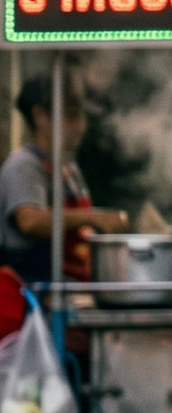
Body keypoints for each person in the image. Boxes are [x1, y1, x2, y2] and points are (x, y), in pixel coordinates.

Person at [0, 76, 123, 283]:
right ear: (39, 116)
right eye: (72, 116)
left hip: (71, 288)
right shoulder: (23, 165)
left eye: (82, 116)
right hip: (33, 296)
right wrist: (93, 217)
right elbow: (30, 221)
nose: (81, 126)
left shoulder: (69, 167)